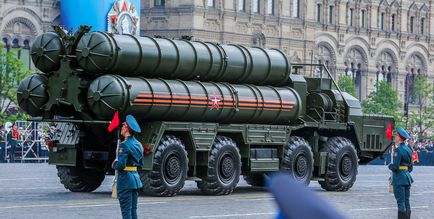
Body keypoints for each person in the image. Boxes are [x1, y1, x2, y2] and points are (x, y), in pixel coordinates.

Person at [111, 115, 144, 219]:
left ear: (127, 129)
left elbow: (120, 165)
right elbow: (141, 164)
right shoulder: (139, 144)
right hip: (135, 180)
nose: (122, 127)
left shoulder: (124, 145)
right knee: (133, 212)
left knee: (126, 213)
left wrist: (114, 164)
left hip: (126, 182)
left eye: (123, 125)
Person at [388, 126, 413, 219]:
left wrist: (390, 165)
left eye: (396, 135)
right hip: (407, 177)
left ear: (399, 138)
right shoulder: (409, 149)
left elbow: (395, 167)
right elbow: (410, 167)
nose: (395, 137)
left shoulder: (398, 150)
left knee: (400, 202)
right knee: (407, 201)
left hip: (399, 179)